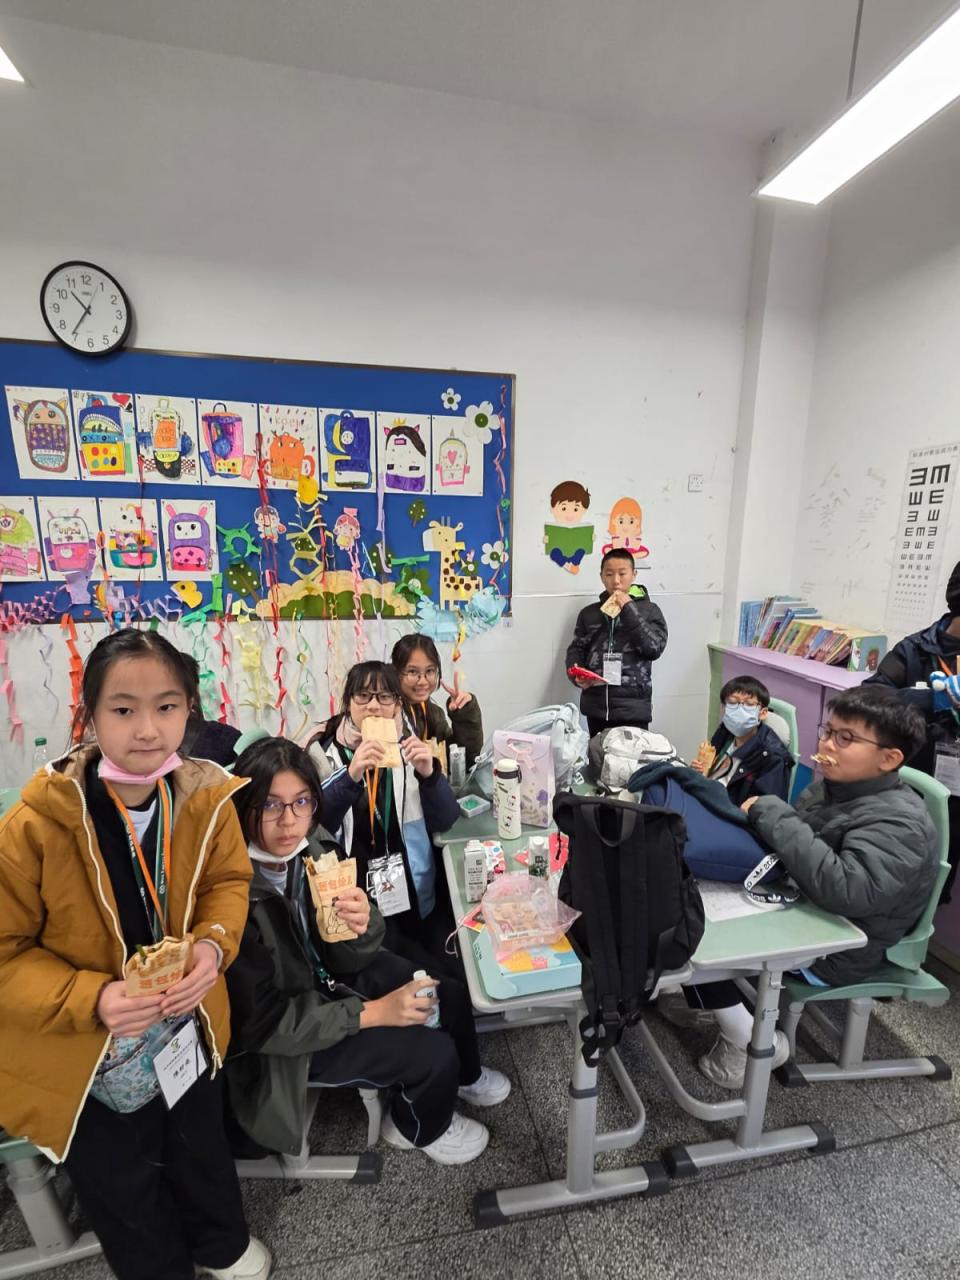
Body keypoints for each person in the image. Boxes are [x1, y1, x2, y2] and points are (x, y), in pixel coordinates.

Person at [0, 628, 269, 1280]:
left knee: (199, 1144)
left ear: (188, 711)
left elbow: (228, 883)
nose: (148, 729)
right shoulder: (35, 826)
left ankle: (221, 1244)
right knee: (122, 1183)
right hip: (86, 1051)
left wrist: (213, 946)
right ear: (90, 716)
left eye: (167, 706)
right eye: (123, 709)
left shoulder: (204, 799)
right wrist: (91, 997)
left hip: (185, 1022)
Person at [224, 737, 508, 1167]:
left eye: (301, 802)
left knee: (445, 993)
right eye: (269, 805)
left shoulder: (315, 849)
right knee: (430, 1053)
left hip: (332, 979)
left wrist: (363, 922)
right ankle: (416, 1126)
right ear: (243, 806)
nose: (289, 821)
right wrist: (374, 1013)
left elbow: (352, 956)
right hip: (288, 1039)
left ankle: (465, 1078)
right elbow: (263, 1026)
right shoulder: (232, 897)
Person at [669, 687, 938, 1090]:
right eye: (828, 732)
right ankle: (712, 1000)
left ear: (888, 759)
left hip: (840, 947)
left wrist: (772, 813)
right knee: (683, 894)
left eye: (846, 738)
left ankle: (748, 1040)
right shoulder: (833, 787)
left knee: (691, 931)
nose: (827, 744)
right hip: (800, 904)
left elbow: (847, 891)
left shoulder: (900, 824)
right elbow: (797, 845)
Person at [303, 661, 462, 976]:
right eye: (363, 696)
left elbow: (446, 820)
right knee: (411, 974)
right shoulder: (323, 756)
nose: (374, 706)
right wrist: (350, 775)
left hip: (411, 889)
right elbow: (314, 827)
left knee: (447, 969)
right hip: (355, 899)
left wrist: (430, 775)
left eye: (384, 697)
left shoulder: (410, 749)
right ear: (348, 703)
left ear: (397, 705)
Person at [865, 561, 960, 898]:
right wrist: (933, 699)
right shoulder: (916, 649)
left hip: (956, 799)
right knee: (893, 871)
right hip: (910, 784)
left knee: (936, 881)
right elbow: (868, 697)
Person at [565, 548, 668, 738]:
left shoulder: (650, 611)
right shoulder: (589, 614)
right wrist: (576, 674)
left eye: (622, 573)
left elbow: (653, 648)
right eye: (609, 574)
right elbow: (576, 649)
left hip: (633, 708)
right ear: (601, 576)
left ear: (633, 574)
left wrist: (628, 608)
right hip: (596, 706)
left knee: (632, 757)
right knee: (598, 754)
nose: (616, 580)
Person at [691, 675, 794, 806]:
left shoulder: (773, 758)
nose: (739, 710)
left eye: (749, 704)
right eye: (732, 702)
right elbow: (710, 771)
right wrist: (698, 771)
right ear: (723, 709)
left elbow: (765, 810)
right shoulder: (725, 731)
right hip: (705, 797)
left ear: (762, 713)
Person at [391, 633, 484, 769]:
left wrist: (464, 713)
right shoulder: (389, 715)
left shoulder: (434, 713)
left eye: (429, 671)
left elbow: (465, 760)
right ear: (395, 673)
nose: (422, 681)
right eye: (412, 672)